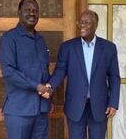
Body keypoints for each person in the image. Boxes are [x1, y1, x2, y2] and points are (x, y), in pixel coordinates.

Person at [45, 10, 121, 139]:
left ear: (96, 25)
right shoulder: (67, 47)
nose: (82, 25)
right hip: (75, 106)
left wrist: (113, 102)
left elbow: (114, 76)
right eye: (80, 22)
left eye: (87, 22)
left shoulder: (109, 48)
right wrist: (50, 86)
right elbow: (60, 70)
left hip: (99, 107)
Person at [0, 0, 52, 139]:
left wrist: (49, 88)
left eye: (35, 10)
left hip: (41, 110)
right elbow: (9, 72)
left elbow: (44, 71)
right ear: (19, 13)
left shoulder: (41, 40)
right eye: (27, 10)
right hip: (19, 111)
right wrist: (37, 86)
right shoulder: (9, 38)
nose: (32, 13)